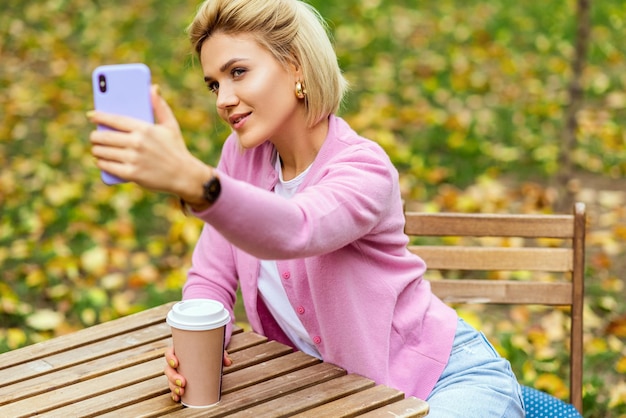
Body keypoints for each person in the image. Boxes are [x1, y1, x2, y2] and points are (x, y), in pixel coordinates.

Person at [88, 0, 525, 416]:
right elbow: (210, 278)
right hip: (334, 396)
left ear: (295, 65)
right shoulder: (240, 158)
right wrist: (201, 349)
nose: (223, 98)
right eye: (214, 84)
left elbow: (297, 229)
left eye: (238, 72)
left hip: (444, 383)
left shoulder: (364, 168)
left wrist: (193, 181)